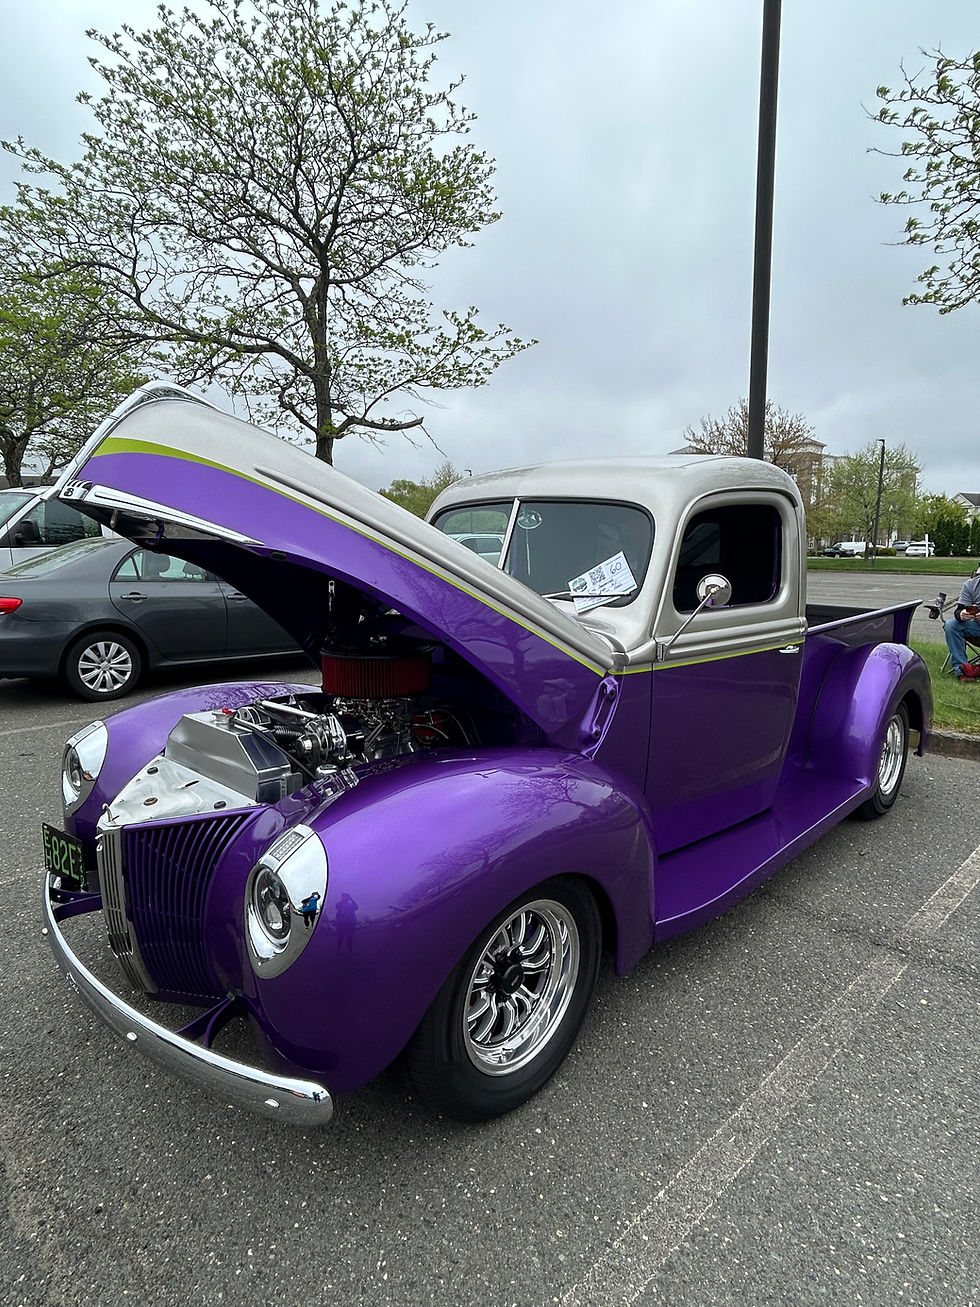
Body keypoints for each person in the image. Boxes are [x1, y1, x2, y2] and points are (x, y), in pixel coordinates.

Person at [944, 566, 980, 680]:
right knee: (951, 625)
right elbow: (959, 610)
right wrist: (961, 614)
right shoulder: (970, 585)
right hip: (976, 628)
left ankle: (975, 670)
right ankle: (963, 671)